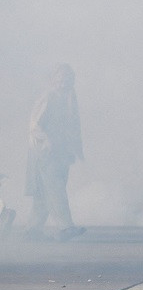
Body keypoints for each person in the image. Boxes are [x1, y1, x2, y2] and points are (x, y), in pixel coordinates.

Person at [25, 64, 85, 242]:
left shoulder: (69, 98)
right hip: (45, 152)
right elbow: (34, 126)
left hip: (61, 152)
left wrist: (76, 149)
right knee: (55, 188)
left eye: (68, 80)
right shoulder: (49, 97)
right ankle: (65, 227)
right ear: (53, 80)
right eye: (60, 80)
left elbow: (73, 125)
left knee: (44, 192)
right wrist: (48, 141)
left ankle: (32, 230)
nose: (63, 84)